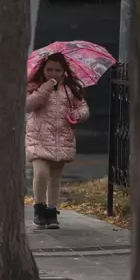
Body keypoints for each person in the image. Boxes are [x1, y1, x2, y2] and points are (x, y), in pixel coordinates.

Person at [26, 53, 89, 230]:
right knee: (41, 173)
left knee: (55, 178)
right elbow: (28, 105)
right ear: (43, 70)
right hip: (37, 138)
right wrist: (46, 87)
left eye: (57, 70)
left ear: (64, 72)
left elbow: (83, 108)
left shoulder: (70, 90)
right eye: (49, 69)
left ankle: (52, 212)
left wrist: (76, 115)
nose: (53, 73)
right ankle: (39, 209)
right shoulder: (34, 86)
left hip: (61, 139)